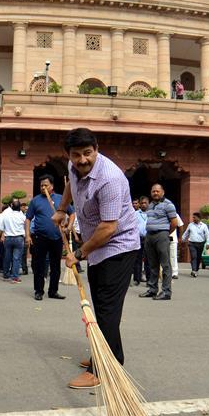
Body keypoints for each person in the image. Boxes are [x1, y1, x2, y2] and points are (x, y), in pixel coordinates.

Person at [53, 128, 138, 389]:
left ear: (97, 149)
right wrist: (61, 209)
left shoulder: (109, 179)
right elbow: (70, 184)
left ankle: (103, 368)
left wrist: (78, 254)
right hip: (97, 246)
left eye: (87, 153)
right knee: (100, 304)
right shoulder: (73, 167)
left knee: (106, 308)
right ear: (69, 155)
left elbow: (109, 227)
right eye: (76, 155)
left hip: (118, 245)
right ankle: (102, 354)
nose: (82, 160)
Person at [26, 175, 72, 301]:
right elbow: (28, 218)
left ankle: (53, 291)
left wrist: (68, 227)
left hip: (57, 237)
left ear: (52, 186)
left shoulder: (60, 199)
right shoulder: (35, 201)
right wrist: (28, 235)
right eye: (41, 185)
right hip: (40, 237)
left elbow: (72, 213)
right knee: (39, 265)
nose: (43, 188)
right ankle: (38, 291)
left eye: (45, 185)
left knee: (55, 266)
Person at [141, 183, 179, 300]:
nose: (155, 193)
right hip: (149, 236)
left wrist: (165, 232)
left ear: (163, 192)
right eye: (153, 191)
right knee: (152, 264)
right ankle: (152, 289)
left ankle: (166, 292)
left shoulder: (168, 205)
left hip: (161, 235)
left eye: (157, 191)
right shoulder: (150, 205)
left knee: (165, 264)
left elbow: (174, 222)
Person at [0, 199, 26, 283]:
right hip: (19, 238)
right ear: (19, 207)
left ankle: (6, 275)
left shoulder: (6, 216)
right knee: (16, 258)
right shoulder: (23, 217)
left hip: (8, 238)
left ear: (11, 206)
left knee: (7, 257)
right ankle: (15, 277)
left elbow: (1, 230)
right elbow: (26, 228)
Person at [132, 198, 147, 285]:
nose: (143, 204)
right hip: (138, 238)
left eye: (145, 203)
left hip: (149, 238)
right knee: (138, 259)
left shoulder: (151, 213)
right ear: (140, 204)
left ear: (148, 203)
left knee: (149, 260)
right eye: (142, 203)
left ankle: (150, 280)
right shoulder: (135, 214)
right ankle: (137, 279)